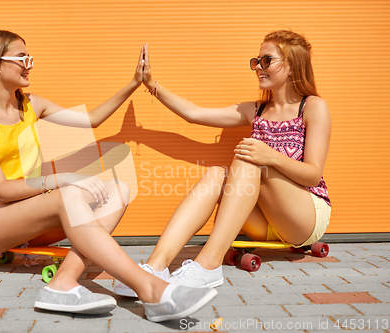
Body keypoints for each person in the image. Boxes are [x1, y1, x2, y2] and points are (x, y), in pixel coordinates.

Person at [0, 30, 217, 321]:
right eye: (22, 58)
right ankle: (149, 288)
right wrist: (61, 179)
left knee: (118, 189)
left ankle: (63, 282)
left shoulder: (31, 104)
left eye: (31, 58)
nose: (30, 64)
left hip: (28, 212)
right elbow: (0, 188)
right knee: (68, 190)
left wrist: (134, 83)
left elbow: (92, 120)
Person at [115, 30, 331, 296]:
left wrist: (270, 156)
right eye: (256, 61)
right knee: (217, 174)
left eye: (266, 61)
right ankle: (156, 266)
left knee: (248, 155)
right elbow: (194, 114)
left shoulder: (313, 107)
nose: (258, 68)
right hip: (265, 222)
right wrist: (151, 85)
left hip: (304, 216)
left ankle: (208, 265)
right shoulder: (256, 110)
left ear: (291, 66)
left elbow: (312, 175)